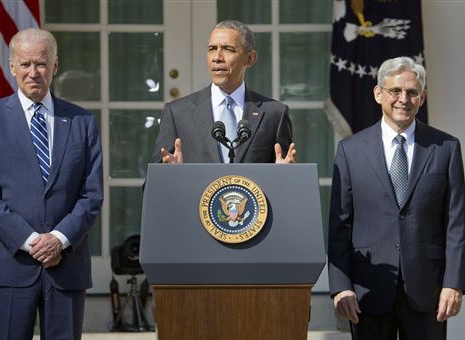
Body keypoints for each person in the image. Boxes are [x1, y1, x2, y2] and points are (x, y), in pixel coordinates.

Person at [328, 56, 465, 340]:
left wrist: (454, 284)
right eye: (395, 91)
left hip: (429, 291)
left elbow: (456, 224)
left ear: (422, 97)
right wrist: (341, 286)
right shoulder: (350, 150)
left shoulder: (446, 148)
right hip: (368, 289)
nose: (404, 99)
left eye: (412, 92)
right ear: (378, 94)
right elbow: (339, 225)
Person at [0, 28, 103, 339]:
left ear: (55, 65)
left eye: (41, 64)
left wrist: (59, 239)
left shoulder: (82, 122)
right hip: (10, 265)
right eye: (25, 64)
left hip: (66, 266)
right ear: (12, 67)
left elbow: (92, 195)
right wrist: (32, 240)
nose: (33, 72)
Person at [152, 20, 296, 164]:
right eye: (212, 49)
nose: (217, 58)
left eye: (228, 49)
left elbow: (289, 180)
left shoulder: (275, 114)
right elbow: (152, 184)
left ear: (251, 58)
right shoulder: (177, 113)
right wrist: (170, 174)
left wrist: (285, 174)